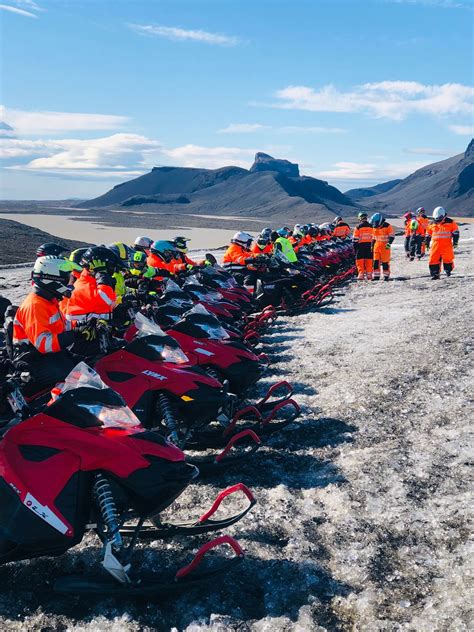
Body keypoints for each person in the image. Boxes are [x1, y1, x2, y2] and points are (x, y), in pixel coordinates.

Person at [12, 256, 97, 394]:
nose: (71, 283)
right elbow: (43, 344)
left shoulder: (49, 301)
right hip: (34, 360)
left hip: (50, 355)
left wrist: (83, 325)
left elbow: (62, 325)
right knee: (75, 379)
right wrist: (75, 334)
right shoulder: (35, 305)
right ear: (53, 279)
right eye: (67, 278)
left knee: (89, 364)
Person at [65, 246, 118, 323]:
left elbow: (110, 303)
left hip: (98, 330)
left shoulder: (92, 282)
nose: (113, 270)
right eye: (111, 267)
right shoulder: (85, 286)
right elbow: (107, 299)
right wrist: (102, 274)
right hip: (82, 333)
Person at [425, 207, 459, 279]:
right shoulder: (432, 223)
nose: (438, 220)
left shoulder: (450, 222)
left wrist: (455, 242)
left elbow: (456, 233)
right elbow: (428, 234)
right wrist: (427, 243)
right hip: (435, 245)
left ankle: (448, 271)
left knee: (448, 259)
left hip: (446, 245)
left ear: (443, 215)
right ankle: (435, 274)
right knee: (433, 260)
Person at [370, 213, 395, 281]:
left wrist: (389, 244)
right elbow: (373, 238)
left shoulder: (387, 226)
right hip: (376, 247)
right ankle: (376, 276)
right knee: (375, 263)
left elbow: (392, 236)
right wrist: (372, 246)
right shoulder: (374, 227)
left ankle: (386, 276)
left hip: (385, 247)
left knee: (385, 263)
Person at [352, 212, 374, 280]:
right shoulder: (371, 226)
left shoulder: (358, 227)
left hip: (360, 246)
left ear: (360, 218)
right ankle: (369, 275)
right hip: (369, 245)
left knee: (359, 260)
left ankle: (361, 274)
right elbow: (374, 237)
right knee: (369, 259)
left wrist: (355, 249)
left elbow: (355, 239)